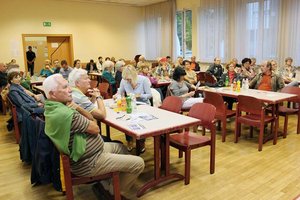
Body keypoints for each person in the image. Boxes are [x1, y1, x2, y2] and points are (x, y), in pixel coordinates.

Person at [42, 74, 144, 199]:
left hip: (88, 153)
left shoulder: (53, 108)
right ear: (52, 94)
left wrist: (78, 107)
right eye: (64, 87)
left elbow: (90, 118)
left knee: (121, 148)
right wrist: (79, 109)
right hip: (89, 162)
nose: (70, 90)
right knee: (139, 163)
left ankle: (108, 183)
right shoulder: (66, 114)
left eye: (68, 85)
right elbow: (95, 128)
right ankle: (112, 192)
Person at [115, 65, 152, 152]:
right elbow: (120, 92)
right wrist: (117, 96)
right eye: (126, 79)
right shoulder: (124, 81)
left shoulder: (144, 80)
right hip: (130, 105)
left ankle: (142, 142)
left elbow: (149, 95)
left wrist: (139, 95)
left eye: (129, 79)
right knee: (126, 122)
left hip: (143, 105)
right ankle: (129, 141)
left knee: (142, 124)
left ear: (135, 76)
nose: (127, 81)